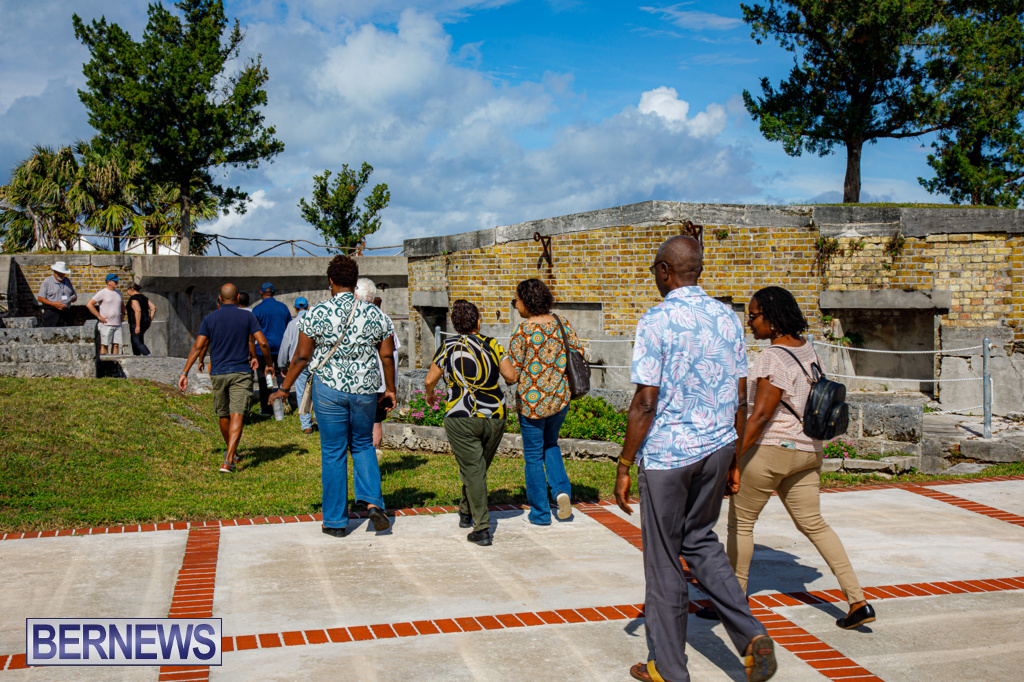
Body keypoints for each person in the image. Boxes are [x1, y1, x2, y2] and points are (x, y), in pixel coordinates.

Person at [614, 236, 776, 682]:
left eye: (654, 271)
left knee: (664, 559)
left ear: (666, 271)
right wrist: (736, 461)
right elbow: (740, 397)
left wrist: (625, 464)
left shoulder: (656, 320)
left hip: (669, 456)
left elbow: (646, 401)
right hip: (719, 446)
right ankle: (750, 634)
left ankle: (669, 669)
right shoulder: (727, 318)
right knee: (700, 541)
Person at [723, 286, 874, 631]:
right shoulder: (810, 352)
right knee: (815, 524)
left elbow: (760, 416)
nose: (749, 322)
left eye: (754, 315)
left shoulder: (772, 358)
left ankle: (733, 603)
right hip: (808, 452)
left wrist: (733, 459)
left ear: (772, 319)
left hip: (771, 452)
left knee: (741, 525)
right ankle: (857, 600)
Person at [269, 256, 397, 538]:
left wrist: (283, 387)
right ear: (355, 282)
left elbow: (302, 355)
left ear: (330, 282)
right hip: (365, 389)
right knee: (363, 444)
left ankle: (336, 523)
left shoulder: (315, 313)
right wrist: (390, 389)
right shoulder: (375, 314)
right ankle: (374, 502)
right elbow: (386, 354)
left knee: (333, 452)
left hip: (329, 389)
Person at [424, 299, 518, 546]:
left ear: (455, 325)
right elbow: (511, 375)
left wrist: (430, 393)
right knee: (477, 468)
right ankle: (466, 511)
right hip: (494, 416)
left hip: (460, 416)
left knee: (473, 469)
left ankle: (482, 528)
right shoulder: (493, 344)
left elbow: (429, 379)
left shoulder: (448, 346)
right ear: (478, 321)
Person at [508, 278, 582, 525]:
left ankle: (540, 513)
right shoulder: (563, 324)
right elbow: (579, 354)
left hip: (532, 403)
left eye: (516, 300)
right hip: (560, 399)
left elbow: (513, 372)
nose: (515, 305)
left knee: (532, 456)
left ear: (527, 301)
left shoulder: (523, 331)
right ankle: (561, 491)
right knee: (551, 444)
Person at [178, 283, 273, 473]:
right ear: (238, 298)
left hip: (218, 372)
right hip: (240, 371)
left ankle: (230, 455)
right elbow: (261, 342)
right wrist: (267, 363)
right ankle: (229, 458)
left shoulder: (210, 318)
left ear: (220, 299)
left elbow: (198, 346)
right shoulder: (248, 316)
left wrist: (185, 372)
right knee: (237, 413)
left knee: (223, 414)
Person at [354, 280, 400, 461]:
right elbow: (393, 354)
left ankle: (365, 456)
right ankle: (374, 455)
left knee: (361, 422)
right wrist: (390, 385)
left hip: (358, 381)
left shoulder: (352, 317)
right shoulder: (384, 318)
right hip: (380, 382)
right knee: (375, 421)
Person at [252, 282, 292, 414]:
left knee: (264, 378)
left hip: (263, 349)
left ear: (261, 293)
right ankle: (284, 404)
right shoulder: (283, 308)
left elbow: (253, 333)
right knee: (282, 375)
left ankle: (266, 408)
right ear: (273, 293)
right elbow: (288, 328)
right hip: (281, 347)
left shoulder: (257, 310)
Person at [277, 297, 312, 434]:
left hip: (298, 364)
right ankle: (318, 418)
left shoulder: (292, 324)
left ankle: (306, 425)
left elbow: (285, 346)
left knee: (302, 392)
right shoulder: (314, 320)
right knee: (317, 392)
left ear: (295, 309)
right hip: (315, 362)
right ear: (308, 307)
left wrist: (282, 365)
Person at [87, 274, 125, 355]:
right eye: (114, 281)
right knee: (104, 345)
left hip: (117, 323)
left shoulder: (119, 293)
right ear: (108, 282)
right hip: (106, 323)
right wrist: (99, 316)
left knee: (116, 345)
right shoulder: (102, 292)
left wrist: (123, 314)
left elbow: (122, 304)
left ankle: (115, 363)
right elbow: (89, 304)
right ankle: (105, 363)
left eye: (117, 281)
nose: (116, 283)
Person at [36, 261, 77, 327]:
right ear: (55, 272)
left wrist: (73, 299)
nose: (62, 275)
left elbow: (74, 295)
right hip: (52, 312)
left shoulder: (67, 281)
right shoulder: (47, 282)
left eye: (63, 273)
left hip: (66, 312)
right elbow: (40, 298)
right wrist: (54, 304)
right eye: (60, 273)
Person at [125, 283, 157, 356]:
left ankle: (148, 355)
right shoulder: (144, 297)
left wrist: (137, 325)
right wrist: (150, 320)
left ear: (132, 289)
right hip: (145, 322)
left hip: (136, 322)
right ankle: (137, 356)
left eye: (127, 290)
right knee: (138, 339)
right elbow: (153, 308)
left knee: (136, 341)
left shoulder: (133, 298)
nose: (127, 292)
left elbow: (138, 310)